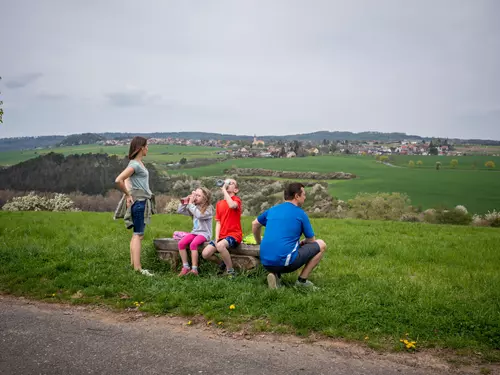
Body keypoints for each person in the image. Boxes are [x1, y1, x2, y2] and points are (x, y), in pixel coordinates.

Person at [252, 182, 326, 289]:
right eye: (304, 194)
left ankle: (275, 276)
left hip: (265, 261)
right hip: (286, 263)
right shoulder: (300, 213)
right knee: (321, 245)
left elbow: (255, 224)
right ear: (297, 196)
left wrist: (259, 242)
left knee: (282, 247)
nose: (305, 197)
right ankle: (302, 281)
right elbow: (311, 241)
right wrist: (303, 242)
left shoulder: (272, 209)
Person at [114, 136, 156, 277]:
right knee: (138, 235)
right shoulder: (135, 165)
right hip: (139, 203)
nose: (148, 148)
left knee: (137, 235)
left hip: (140, 201)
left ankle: (134, 265)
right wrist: (127, 194)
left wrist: (128, 193)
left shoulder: (137, 163)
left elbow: (125, 180)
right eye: (147, 146)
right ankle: (138, 269)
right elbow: (119, 180)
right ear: (141, 148)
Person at [201, 178, 242, 277]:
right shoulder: (219, 204)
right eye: (226, 181)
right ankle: (222, 264)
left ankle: (230, 271)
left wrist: (223, 190)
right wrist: (217, 237)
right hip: (222, 235)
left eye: (230, 183)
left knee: (220, 246)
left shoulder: (236, 200)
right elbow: (218, 222)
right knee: (205, 254)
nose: (227, 183)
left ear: (235, 190)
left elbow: (232, 206)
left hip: (234, 235)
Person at [176, 187, 214, 276]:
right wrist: (185, 201)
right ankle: (185, 267)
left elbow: (199, 215)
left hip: (205, 234)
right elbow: (180, 211)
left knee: (193, 244)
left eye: (198, 195)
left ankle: (194, 269)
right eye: (195, 195)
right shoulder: (194, 207)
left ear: (205, 198)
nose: (195, 197)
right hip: (195, 232)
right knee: (181, 243)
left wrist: (190, 204)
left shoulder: (209, 208)